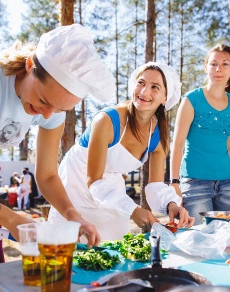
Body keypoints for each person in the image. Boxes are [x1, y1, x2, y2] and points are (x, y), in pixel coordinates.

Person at [0, 24, 114, 292]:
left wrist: (72, 215)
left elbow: (46, 175)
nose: (47, 116)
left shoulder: (51, 111)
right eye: (44, 101)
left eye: (59, 109)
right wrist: (10, 218)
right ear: (31, 64)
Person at [49, 61, 195, 241]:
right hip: (76, 180)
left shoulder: (158, 136)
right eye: (141, 83)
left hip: (110, 186)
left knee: (115, 242)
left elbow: (155, 185)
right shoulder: (107, 120)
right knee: (70, 243)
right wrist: (132, 210)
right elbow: (94, 181)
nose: (144, 91)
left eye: (155, 87)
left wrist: (171, 205)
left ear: (165, 98)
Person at [170, 44, 230, 225]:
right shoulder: (192, 99)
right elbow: (177, 144)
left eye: (225, 64)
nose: (218, 69)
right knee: (197, 241)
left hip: (228, 185)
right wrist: (174, 183)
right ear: (206, 67)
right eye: (213, 64)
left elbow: (229, 148)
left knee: (224, 241)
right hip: (195, 183)